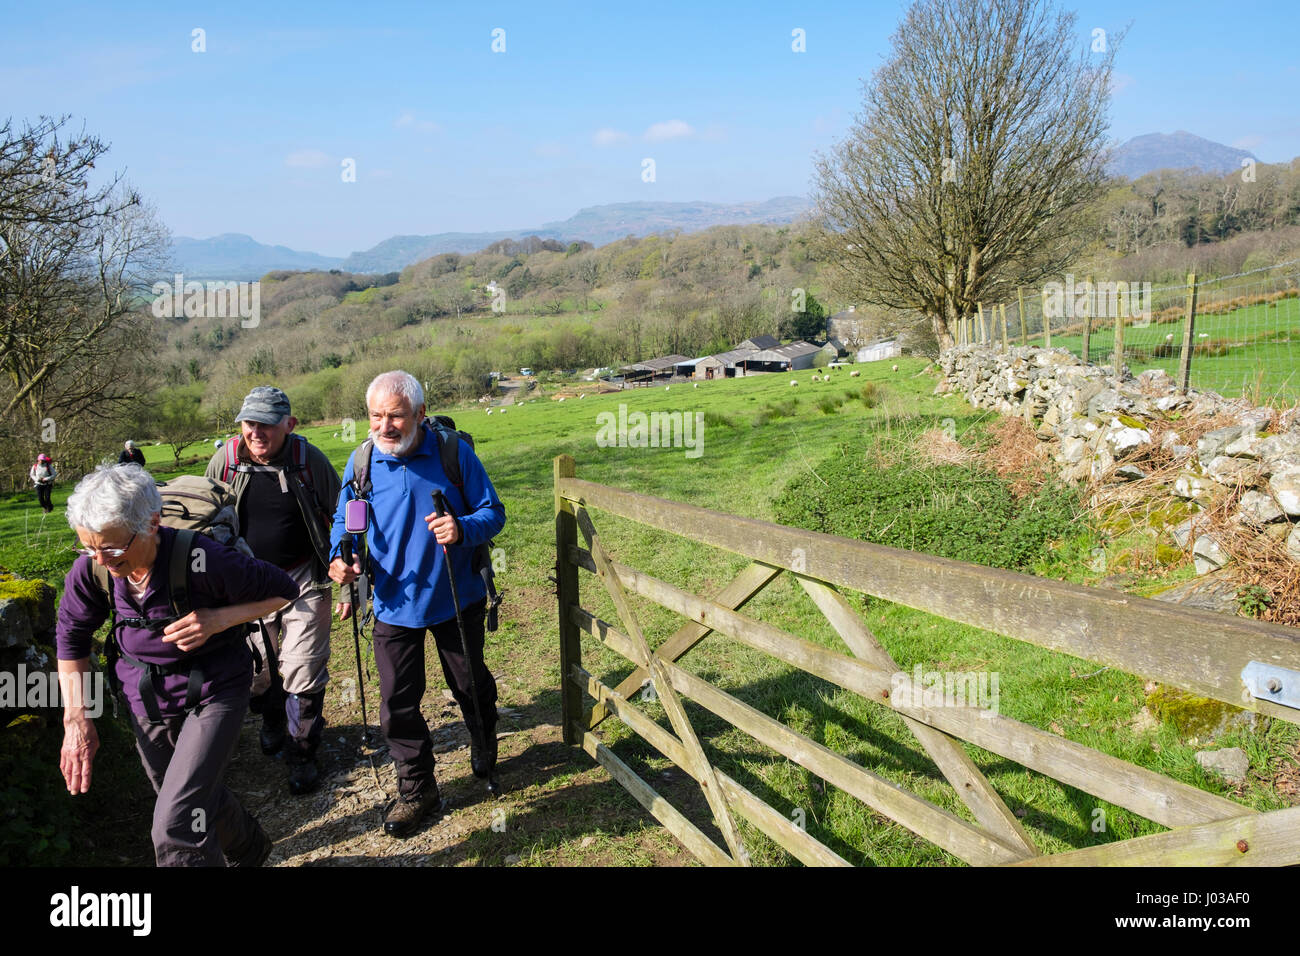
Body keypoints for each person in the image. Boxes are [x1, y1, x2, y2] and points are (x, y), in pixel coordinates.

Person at [56, 464, 298, 866]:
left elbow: (283, 591)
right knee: (188, 793)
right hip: (144, 698)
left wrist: (218, 619)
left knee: (176, 822)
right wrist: (76, 718)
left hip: (214, 690)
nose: (101, 559)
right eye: (89, 547)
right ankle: (250, 850)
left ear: (152, 524)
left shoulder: (204, 559)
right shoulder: (94, 567)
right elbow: (71, 637)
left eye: (113, 548)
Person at [329, 371, 506, 838]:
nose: (385, 426)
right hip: (391, 603)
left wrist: (462, 528)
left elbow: (493, 511)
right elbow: (348, 523)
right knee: (397, 703)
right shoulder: (363, 461)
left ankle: (484, 740)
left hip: (455, 596)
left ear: (420, 414)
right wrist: (340, 559)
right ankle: (416, 789)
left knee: (470, 684)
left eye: (396, 415)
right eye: (375, 416)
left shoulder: (453, 454)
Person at [205, 386, 342, 795]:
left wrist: (348, 581)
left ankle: (302, 751)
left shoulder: (308, 460)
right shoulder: (225, 460)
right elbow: (206, 518)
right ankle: (270, 718)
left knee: (302, 665)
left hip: (304, 578)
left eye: (265, 423)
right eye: (249, 423)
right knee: (259, 668)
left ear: (290, 424)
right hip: (247, 584)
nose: (256, 432)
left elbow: (341, 520)